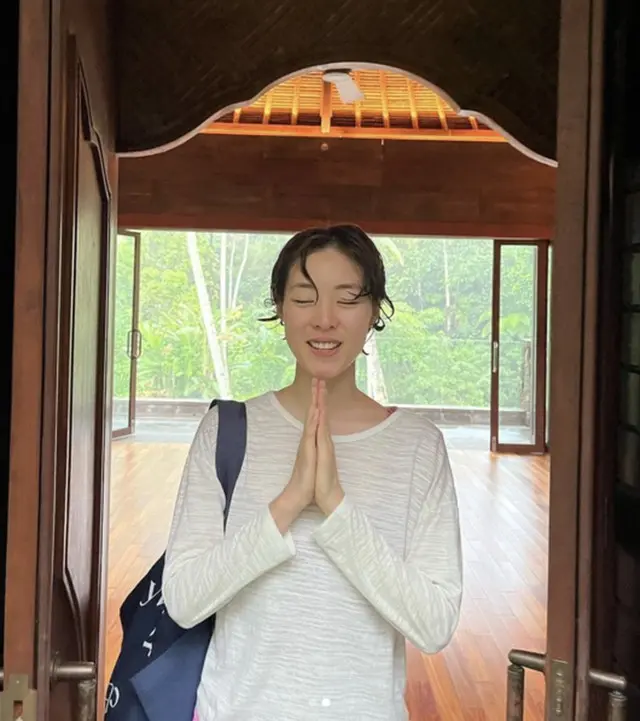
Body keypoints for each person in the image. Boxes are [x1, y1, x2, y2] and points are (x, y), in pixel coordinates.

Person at [162, 224, 463, 721]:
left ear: (374, 312)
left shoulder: (418, 447)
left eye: (347, 299)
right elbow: (184, 600)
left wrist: (336, 507)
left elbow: (434, 625)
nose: (325, 319)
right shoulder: (227, 432)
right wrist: (289, 502)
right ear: (280, 308)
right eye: (304, 298)